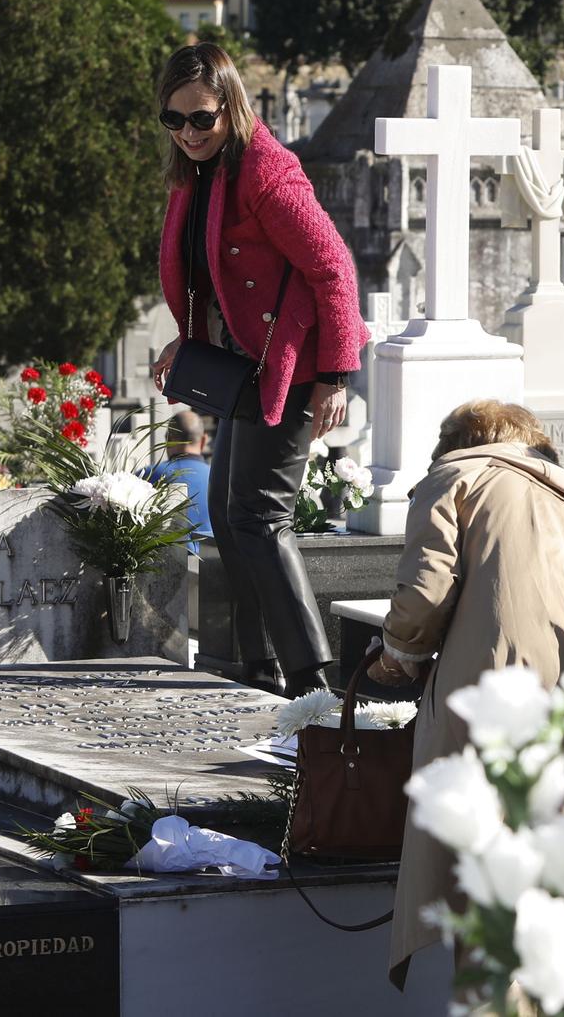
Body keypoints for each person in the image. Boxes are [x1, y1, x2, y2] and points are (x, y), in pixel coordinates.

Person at [366, 401, 564, 983]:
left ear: (459, 441)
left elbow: (425, 587)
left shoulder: (455, 475)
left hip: (515, 677)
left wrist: (396, 655)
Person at [148, 42, 363, 699]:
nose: (188, 133)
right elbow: (209, 276)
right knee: (225, 510)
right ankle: (252, 663)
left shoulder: (267, 169)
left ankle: (312, 677)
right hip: (243, 365)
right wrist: (184, 344)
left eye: (202, 119)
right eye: (174, 120)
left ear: (231, 107)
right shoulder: (202, 171)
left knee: (260, 517)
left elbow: (333, 268)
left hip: (293, 366)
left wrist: (337, 376)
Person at [144, 410, 213, 546]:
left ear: (168, 440)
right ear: (203, 440)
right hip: (213, 563)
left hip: (163, 564)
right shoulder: (222, 479)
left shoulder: (146, 477)